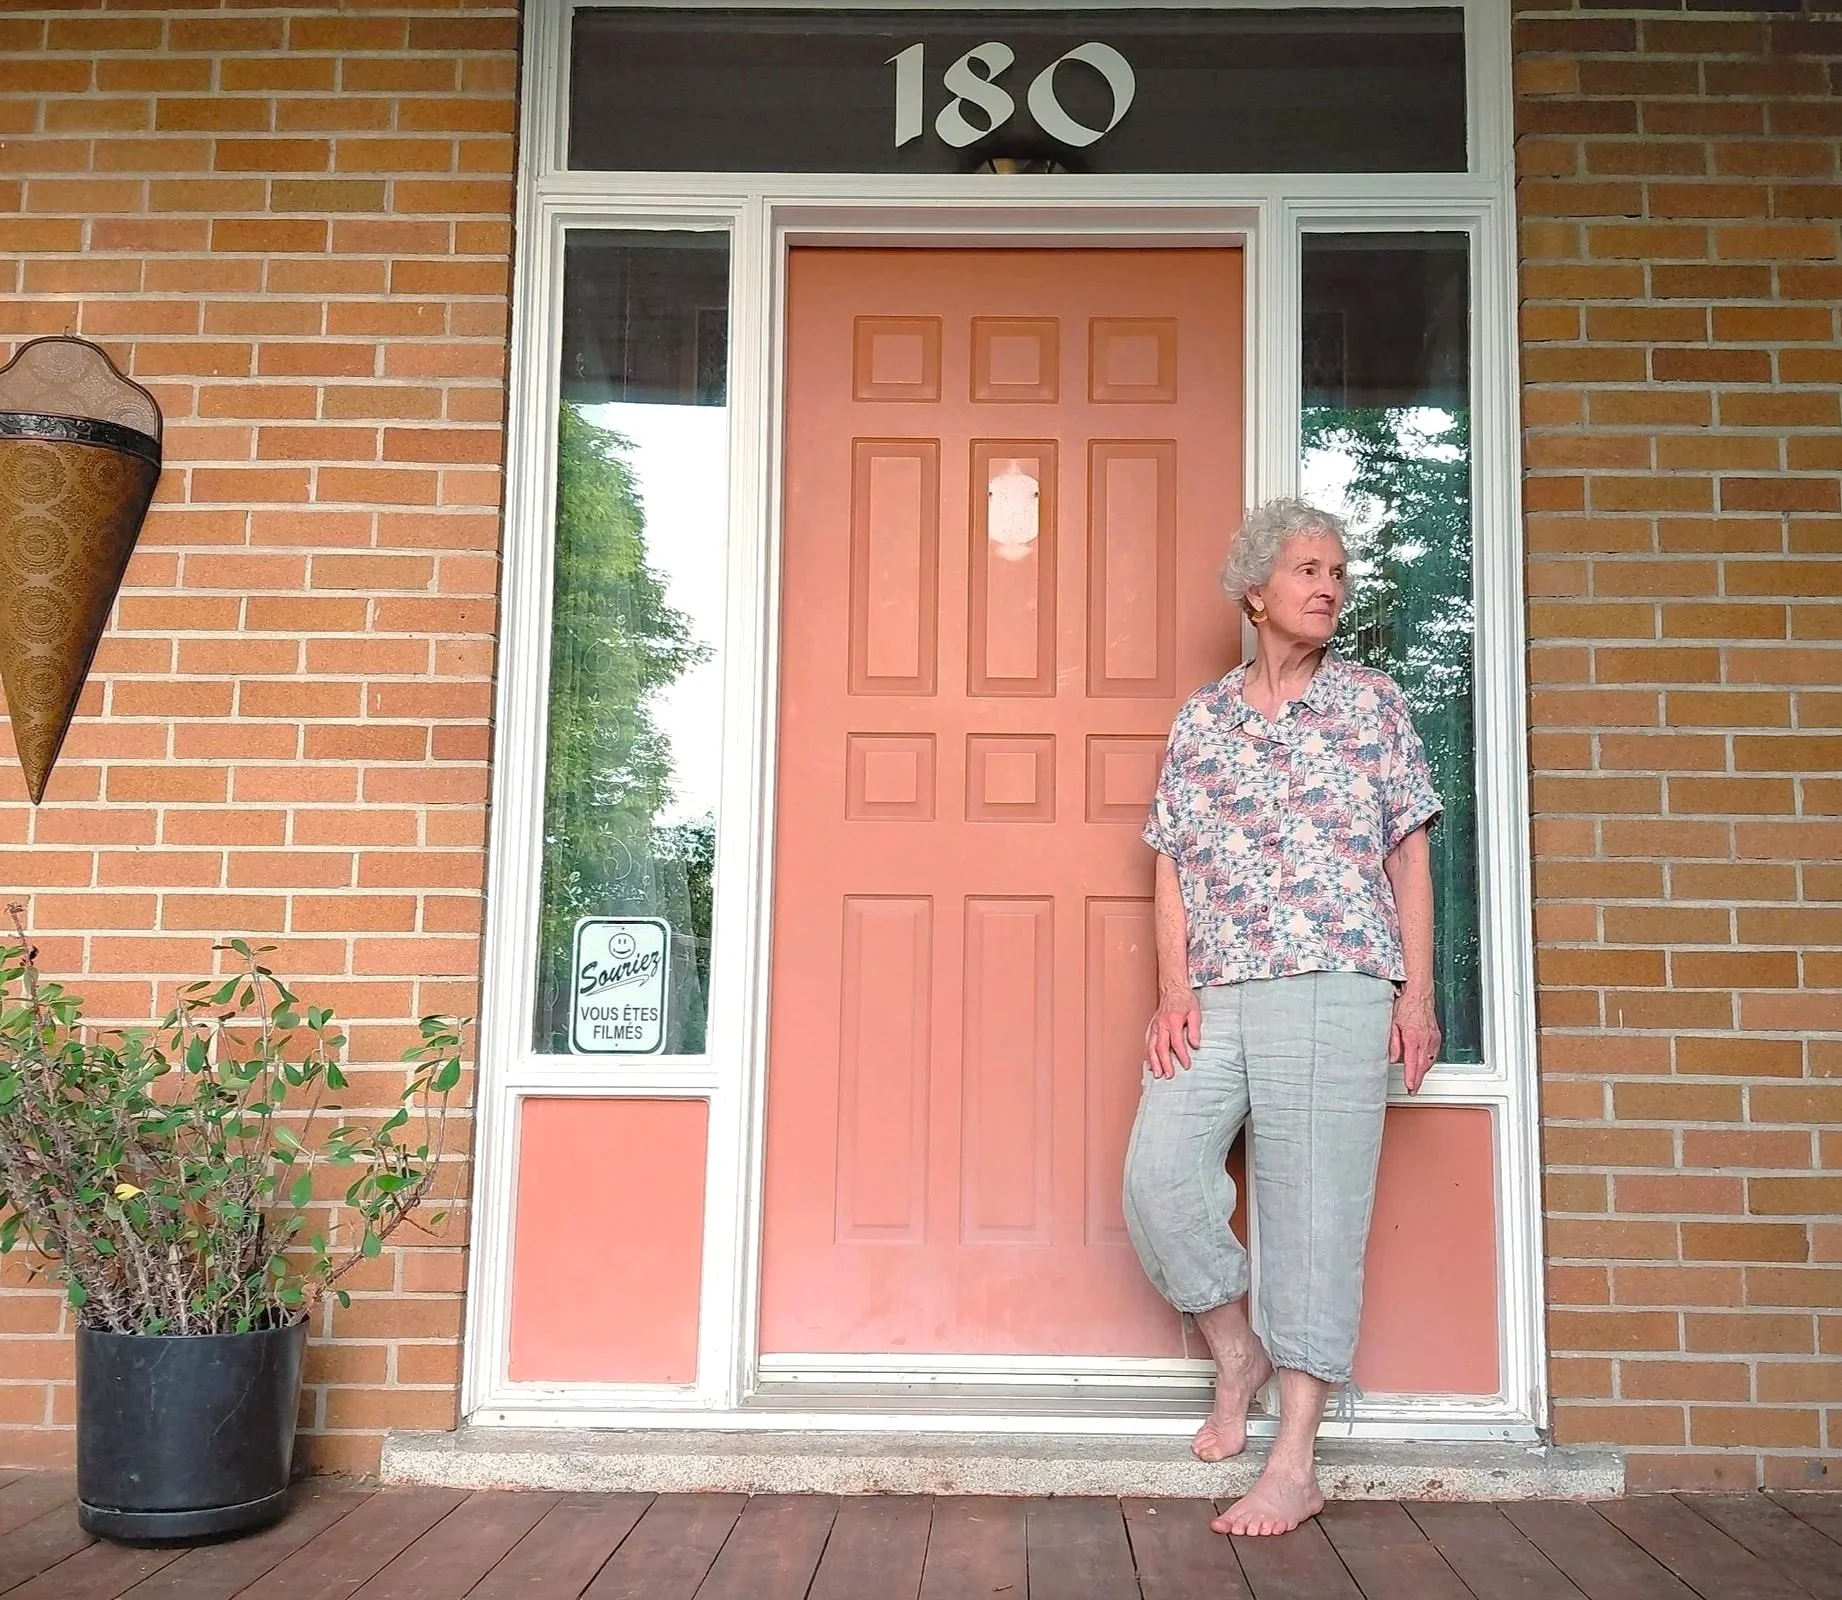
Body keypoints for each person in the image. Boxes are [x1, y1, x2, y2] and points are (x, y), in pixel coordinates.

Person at [1122, 496, 1443, 1537]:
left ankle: (1295, 1461)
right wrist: (1173, 990)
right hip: (1219, 989)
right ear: (1256, 591)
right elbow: (1169, 860)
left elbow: (1410, 856)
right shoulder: (1203, 719)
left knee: (1314, 1220)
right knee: (1160, 1181)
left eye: (1338, 571)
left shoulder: (1372, 703)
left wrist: (1420, 994)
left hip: (1338, 981)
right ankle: (1236, 1353)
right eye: (1308, 568)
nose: (1329, 585)